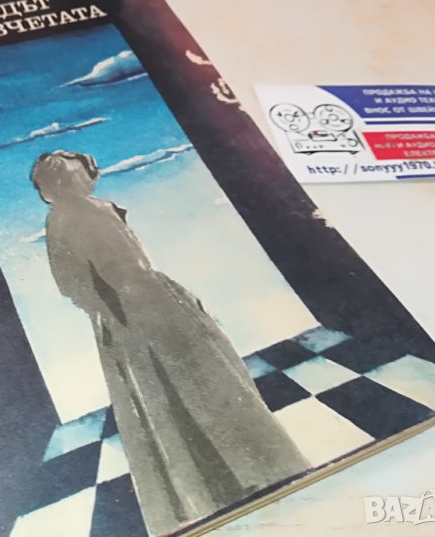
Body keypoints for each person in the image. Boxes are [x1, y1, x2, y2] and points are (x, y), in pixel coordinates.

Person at [31, 150, 310, 536]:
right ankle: (250, 476)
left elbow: (80, 285)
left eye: (85, 173)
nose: (89, 178)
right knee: (197, 389)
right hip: (141, 313)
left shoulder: (75, 215)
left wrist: (121, 309)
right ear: (58, 184)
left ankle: (231, 482)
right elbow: (79, 283)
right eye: (76, 175)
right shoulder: (76, 216)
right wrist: (123, 308)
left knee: (185, 392)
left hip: (137, 312)